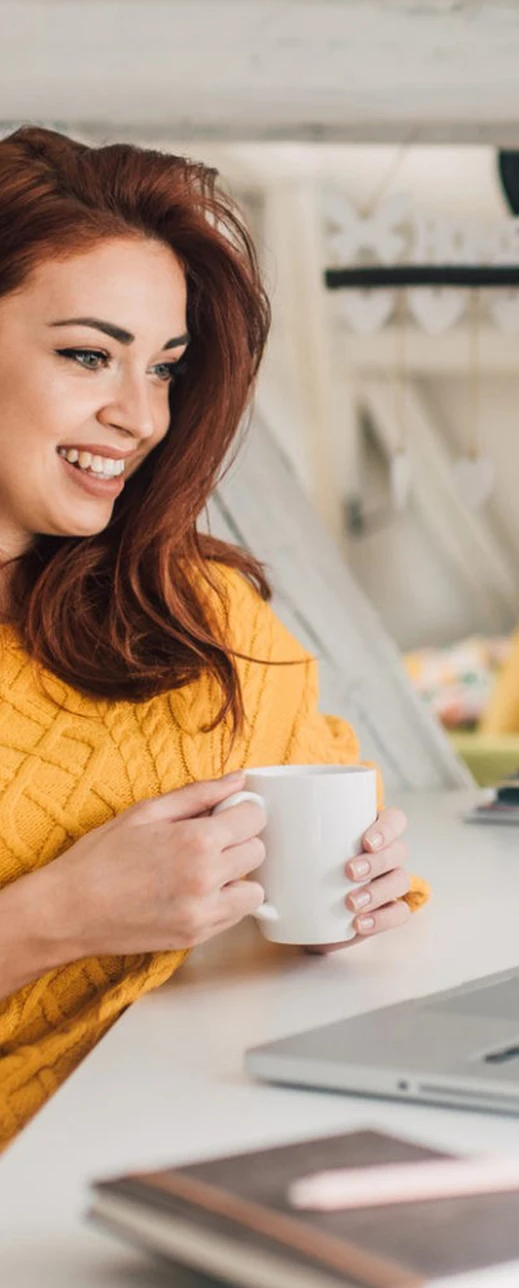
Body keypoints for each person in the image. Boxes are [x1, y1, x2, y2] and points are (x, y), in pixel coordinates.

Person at [0, 127, 425, 1149]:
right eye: (88, 355)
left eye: (164, 368)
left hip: (203, 1129)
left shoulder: (196, 608)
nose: (140, 416)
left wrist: (359, 885)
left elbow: (331, 808)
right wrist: (58, 915)